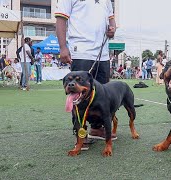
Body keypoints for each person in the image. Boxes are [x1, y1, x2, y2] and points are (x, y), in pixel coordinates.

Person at [55, 0, 116, 147]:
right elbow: (61, 19)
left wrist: (113, 29)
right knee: (77, 95)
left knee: (102, 96)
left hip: (103, 53)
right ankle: (80, 134)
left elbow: (111, 20)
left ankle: (96, 128)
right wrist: (63, 47)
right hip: (80, 50)